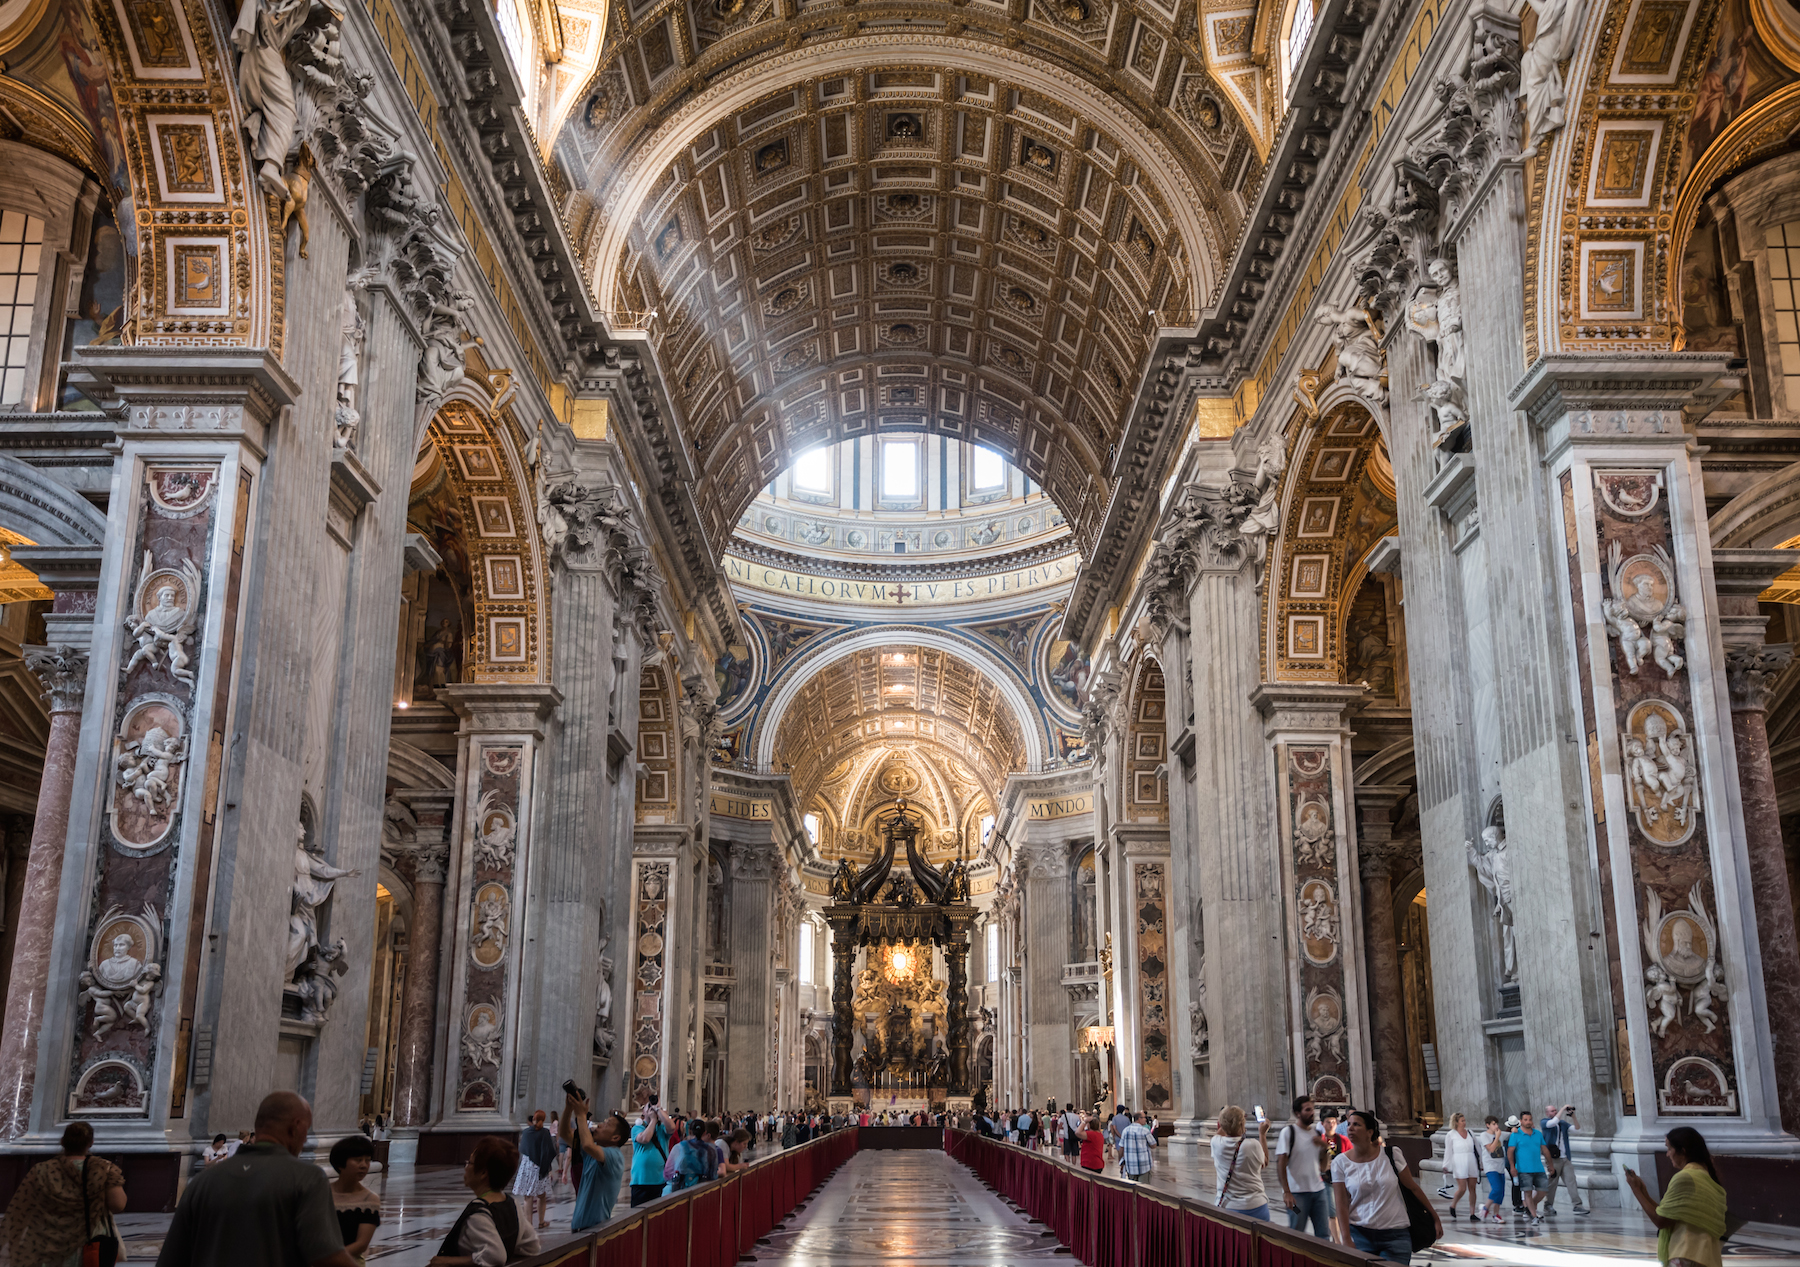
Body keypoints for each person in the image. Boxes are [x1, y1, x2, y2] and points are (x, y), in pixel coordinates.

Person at [157, 1091, 358, 1267]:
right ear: (296, 1127)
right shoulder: (307, 1178)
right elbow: (326, 1255)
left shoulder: (202, 1181)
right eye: (307, 1130)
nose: (305, 1139)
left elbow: (172, 1258)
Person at [0, 1121, 127, 1267]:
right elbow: (118, 1205)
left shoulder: (42, 1169)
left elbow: (22, 1208)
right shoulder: (103, 1168)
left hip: (49, 1239)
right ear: (90, 1143)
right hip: (90, 1239)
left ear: (62, 1141)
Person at [1330, 1109, 1440, 1264]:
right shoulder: (1340, 1163)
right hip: (1361, 1234)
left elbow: (1413, 1188)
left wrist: (1434, 1217)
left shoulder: (1391, 1154)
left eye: (1356, 1125)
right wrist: (1346, 1238)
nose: (1350, 1128)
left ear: (1369, 1132)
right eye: (1349, 1124)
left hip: (1396, 1235)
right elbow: (1341, 1203)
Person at [428, 1135, 539, 1266]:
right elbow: (532, 1246)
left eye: (470, 1162)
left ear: (483, 1173)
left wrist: (447, 1261)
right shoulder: (512, 1204)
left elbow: (496, 1256)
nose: (466, 1167)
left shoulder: (479, 1215)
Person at [1626, 1126, 1727, 1267]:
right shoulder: (1707, 1178)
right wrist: (1644, 1192)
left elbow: (1661, 1221)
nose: (1667, 1154)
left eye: (1669, 1149)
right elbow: (1668, 1214)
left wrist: (1635, 1189)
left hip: (1686, 1254)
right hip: (1707, 1256)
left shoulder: (1685, 1177)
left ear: (1682, 1151)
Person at [562, 1092, 629, 1231]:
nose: (599, 1126)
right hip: (580, 1228)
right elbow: (564, 1134)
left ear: (615, 1137)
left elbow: (587, 1145)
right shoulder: (593, 1154)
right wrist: (569, 1108)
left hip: (595, 1230)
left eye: (606, 1125)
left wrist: (581, 1115)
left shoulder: (614, 1156)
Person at [1276, 1096, 1331, 1236]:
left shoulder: (1317, 1134)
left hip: (1318, 1193)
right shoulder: (1288, 1133)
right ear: (1298, 1113)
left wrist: (1325, 1148)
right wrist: (1286, 1192)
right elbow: (1281, 1163)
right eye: (1307, 1110)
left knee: (1324, 1233)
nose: (1312, 1112)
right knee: (1297, 1230)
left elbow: (1323, 1168)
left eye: (1312, 1109)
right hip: (1296, 1196)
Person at [328, 1135, 380, 1266]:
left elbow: (361, 1244)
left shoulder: (369, 1200)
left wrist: (331, 1258)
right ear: (340, 1164)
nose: (364, 1165)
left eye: (367, 1160)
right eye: (358, 1160)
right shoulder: (322, 1193)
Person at [1211, 1105, 1269, 1218]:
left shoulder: (1215, 1142)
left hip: (1228, 1205)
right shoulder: (1252, 1145)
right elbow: (1264, 1162)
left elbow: (1221, 1131)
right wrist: (1262, 1134)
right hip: (1255, 1205)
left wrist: (1227, 1119)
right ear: (1242, 1124)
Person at [513, 1110, 557, 1231]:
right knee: (541, 1196)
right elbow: (550, 1151)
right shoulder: (545, 1133)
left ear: (533, 1120)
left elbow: (523, 1148)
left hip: (527, 1166)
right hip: (540, 1167)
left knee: (528, 1197)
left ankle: (529, 1225)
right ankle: (541, 1222)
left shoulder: (526, 1132)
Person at [1541, 1104, 1588, 1216]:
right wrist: (1563, 1108)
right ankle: (1548, 1205)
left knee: (1571, 1181)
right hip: (1553, 1159)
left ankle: (1577, 1205)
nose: (1555, 1112)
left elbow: (1578, 1130)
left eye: (1555, 1110)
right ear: (1547, 1113)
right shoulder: (1544, 1122)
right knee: (1552, 1183)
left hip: (1565, 1158)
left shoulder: (1562, 1124)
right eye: (1552, 1111)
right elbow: (1552, 1123)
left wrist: (1573, 1117)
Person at [1507, 1109, 1550, 1224]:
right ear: (1521, 1121)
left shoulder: (1538, 1134)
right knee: (1527, 1192)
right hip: (1523, 1169)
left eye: (1530, 1119)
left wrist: (1550, 1164)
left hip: (1538, 1167)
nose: (1528, 1122)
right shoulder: (1515, 1135)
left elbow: (1545, 1149)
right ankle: (1533, 1216)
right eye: (1526, 1120)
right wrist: (1512, 1166)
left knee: (1543, 1190)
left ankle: (1531, 1207)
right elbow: (1510, 1151)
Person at [629, 1100, 673, 1207]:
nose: (651, 1109)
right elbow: (645, 1138)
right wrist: (653, 1119)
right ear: (643, 1113)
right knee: (639, 1214)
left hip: (660, 1180)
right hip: (641, 1181)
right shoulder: (637, 1128)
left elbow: (672, 1127)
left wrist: (659, 1110)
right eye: (648, 1107)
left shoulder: (662, 1129)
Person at [1442, 1113, 1482, 1222]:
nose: (1464, 1123)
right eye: (1462, 1121)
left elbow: (1477, 1148)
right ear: (1456, 1122)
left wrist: (1481, 1162)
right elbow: (1448, 1151)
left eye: (1464, 1120)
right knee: (1462, 1188)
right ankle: (1453, 1205)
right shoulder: (1451, 1135)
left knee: (1472, 1188)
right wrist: (1446, 1165)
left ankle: (1472, 1213)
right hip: (1459, 1161)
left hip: (1471, 1159)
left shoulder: (1470, 1133)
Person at [665, 1119, 712, 1194]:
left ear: (689, 1131)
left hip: (676, 1190)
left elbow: (667, 1173)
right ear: (705, 1133)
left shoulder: (678, 1147)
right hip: (698, 1190)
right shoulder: (709, 1150)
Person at [1478, 1115, 1508, 1224]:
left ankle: (1496, 1214)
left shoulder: (1501, 1134)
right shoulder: (1484, 1135)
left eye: (1497, 1124)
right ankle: (1485, 1208)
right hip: (1490, 1166)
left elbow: (1511, 1134)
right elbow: (1490, 1149)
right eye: (1493, 1124)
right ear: (1488, 1125)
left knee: (1501, 1192)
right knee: (1496, 1188)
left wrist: (1514, 1129)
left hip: (1500, 1166)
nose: (1496, 1126)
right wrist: (1497, 1136)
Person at [1118, 1111, 1158, 1185]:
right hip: (1144, 1165)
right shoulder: (1145, 1130)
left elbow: (1121, 1148)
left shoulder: (1125, 1130)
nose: (1145, 1119)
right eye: (1144, 1118)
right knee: (1144, 1189)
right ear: (1139, 1119)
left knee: (1133, 1188)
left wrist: (1120, 1162)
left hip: (1131, 1165)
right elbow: (1153, 1145)